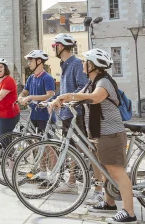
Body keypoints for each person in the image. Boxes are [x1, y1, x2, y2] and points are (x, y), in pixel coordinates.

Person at [52, 49, 136, 223]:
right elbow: (78, 98)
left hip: (111, 133)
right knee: (105, 170)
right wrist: (60, 100)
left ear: (92, 65)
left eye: (85, 61)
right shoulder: (92, 82)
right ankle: (109, 203)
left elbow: (95, 98)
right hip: (99, 133)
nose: (82, 64)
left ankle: (129, 213)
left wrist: (68, 95)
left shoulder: (104, 82)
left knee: (116, 171)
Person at [51, 33, 89, 194]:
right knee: (71, 147)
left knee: (76, 147)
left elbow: (83, 87)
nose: (54, 49)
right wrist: (54, 100)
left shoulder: (76, 63)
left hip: (76, 113)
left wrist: (66, 100)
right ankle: (74, 179)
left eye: (54, 46)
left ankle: (73, 181)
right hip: (67, 114)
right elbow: (64, 89)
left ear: (61, 46)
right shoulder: (65, 64)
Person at [18, 50, 56, 133]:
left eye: (31, 61)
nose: (29, 63)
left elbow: (50, 95)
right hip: (33, 115)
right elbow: (24, 92)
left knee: (47, 144)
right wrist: (20, 97)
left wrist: (30, 97)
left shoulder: (47, 78)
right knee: (35, 143)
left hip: (45, 116)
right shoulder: (31, 78)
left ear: (39, 61)